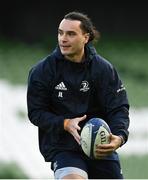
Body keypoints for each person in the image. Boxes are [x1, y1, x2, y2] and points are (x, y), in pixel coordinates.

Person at [27, 11, 130, 179]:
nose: (63, 39)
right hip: (63, 148)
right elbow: (36, 113)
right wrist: (65, 123)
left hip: (100, 147)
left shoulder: (103, 70)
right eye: (60, 33)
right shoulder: (42, 71)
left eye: (70, 34)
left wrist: (119, 136)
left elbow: (119, 108)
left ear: (86, 37)